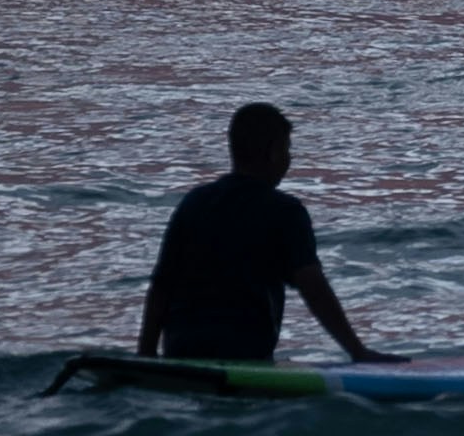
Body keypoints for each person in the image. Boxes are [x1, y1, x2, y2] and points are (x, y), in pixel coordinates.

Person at [138, 103, 383, 366]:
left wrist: (146, 357)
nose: (289, 158)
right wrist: (357, 351)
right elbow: (313, 287)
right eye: (288, 149)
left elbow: (161, 286)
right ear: (274, 153)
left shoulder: (194, 202)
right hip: (243, 353)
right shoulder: (285, 211)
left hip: (181, 349)